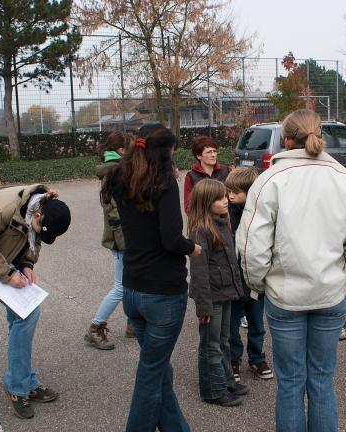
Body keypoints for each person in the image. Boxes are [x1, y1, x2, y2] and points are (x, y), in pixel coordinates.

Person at [237, 109, 346, 432]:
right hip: (330, 296)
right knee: (322, 382)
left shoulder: (269, 180)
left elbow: (250, 247)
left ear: (286, 139)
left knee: (289, 384)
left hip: (285, 298)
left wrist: (259, 286)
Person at [107, 125, 202, 432]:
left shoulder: (119, 179)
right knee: (151, 374)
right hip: (162, 295)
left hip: (133, 292)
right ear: (165, 152)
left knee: (159, 370)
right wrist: (194, 248)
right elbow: (172, 239)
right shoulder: (164, 183)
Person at [0, 185, 71, 419]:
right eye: (41, 228)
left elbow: (34, 240)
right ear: (37, 215)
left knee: (20, 316)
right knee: (27, 315)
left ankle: (23, 380)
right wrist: (8, 275)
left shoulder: (39, 208)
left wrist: (27, 265)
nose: (40, 233)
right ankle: (19, 387)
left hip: (5, 260)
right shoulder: (4, 209)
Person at [188, 179, 247, 407]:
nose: (226, 200)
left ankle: (226, 381)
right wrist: (203, 306)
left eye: (226, 196)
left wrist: (237, 290)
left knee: (223, 340)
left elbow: (231, 262)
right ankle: (213, 390)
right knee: (210, 344)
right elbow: (199, 271)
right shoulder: (200, 230)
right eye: (220, 198)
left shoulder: (223, 222)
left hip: (225, 293)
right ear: (206, 202)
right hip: (210, 297)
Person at [85, 131, 135, 350]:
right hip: (122, 240)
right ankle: (95, 327)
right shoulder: (117, 172)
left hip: (120, 239)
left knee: (131, 283)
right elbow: (116, 213)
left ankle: (133, 323)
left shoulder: (113, 170)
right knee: (121, 287)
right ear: (122, 151)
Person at [225, 167, 274, 382]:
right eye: (229, 190)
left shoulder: (260, 214)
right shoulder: (224, 214)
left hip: (255, 281)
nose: (230, 195)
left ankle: (257, 358)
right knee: (232, 325)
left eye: (236, 191)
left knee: (257, 324)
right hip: (233, 282)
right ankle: (233, 359)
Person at [183, 135, 231, 213]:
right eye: (209, 152)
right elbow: (188, 207)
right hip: (203, 222)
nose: (213, 155)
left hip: (225, 220)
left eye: (214, 151)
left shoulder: (227, 170)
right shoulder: (191, 176)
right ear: (199, 156)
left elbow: (235, 195)